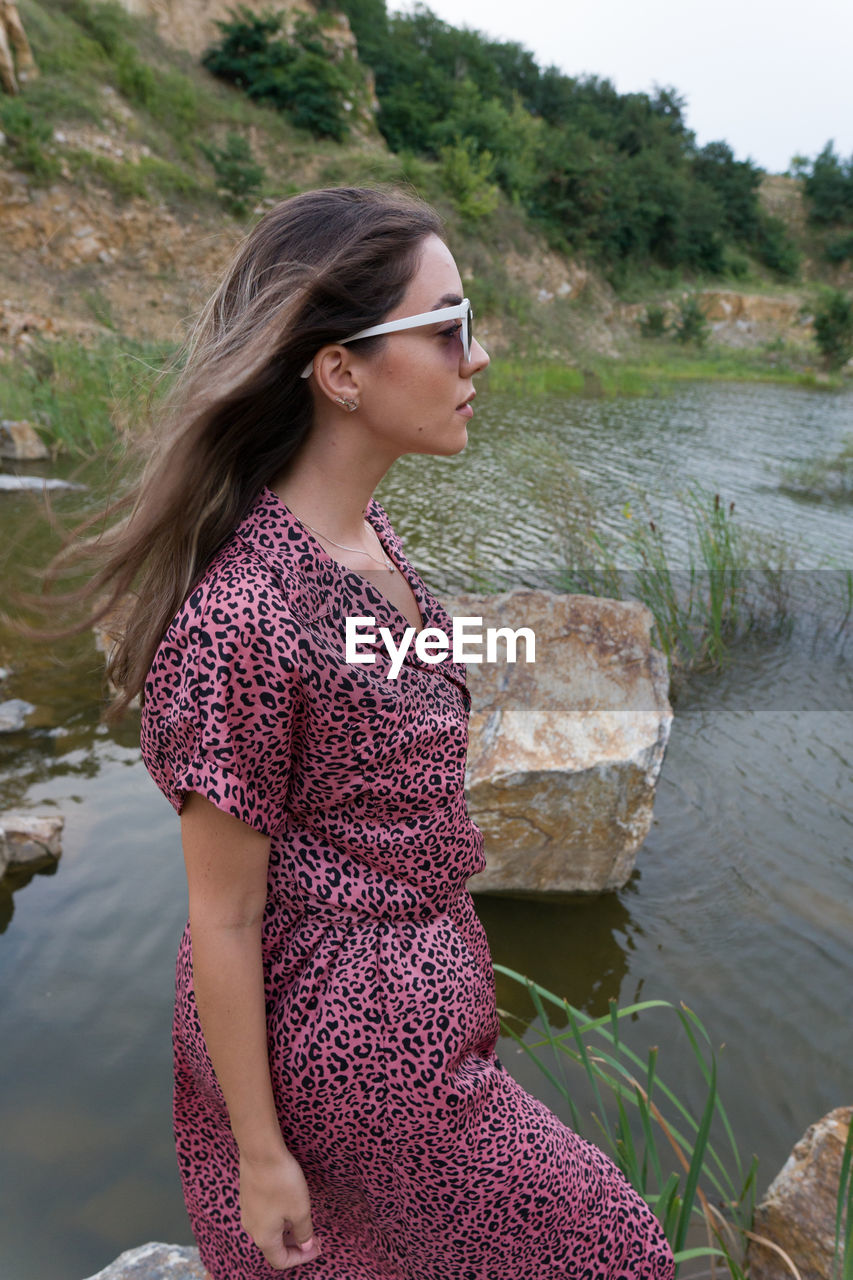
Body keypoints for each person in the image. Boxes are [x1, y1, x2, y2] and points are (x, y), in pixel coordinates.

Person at [89, 186, 676, 1278]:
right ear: (341, 369)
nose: (479, 357)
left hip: (416, 1037)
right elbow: (222, 915)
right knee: (617, 1250)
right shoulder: (247, 612)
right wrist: (259, 1156)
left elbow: (369, 725)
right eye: (448, 328)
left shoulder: (369, 541)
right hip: (350, 1062)